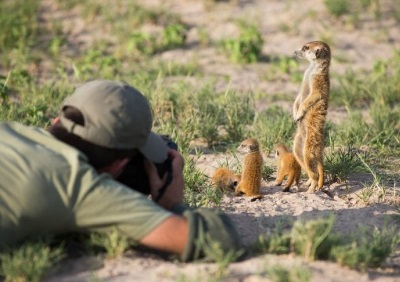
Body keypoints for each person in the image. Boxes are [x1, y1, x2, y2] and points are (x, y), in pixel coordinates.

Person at [0, 79, 244, 261]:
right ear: (117, 166)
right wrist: (171, 203)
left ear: (56, 120)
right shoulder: (79, 183)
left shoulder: (9, 130)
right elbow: (218, 239)